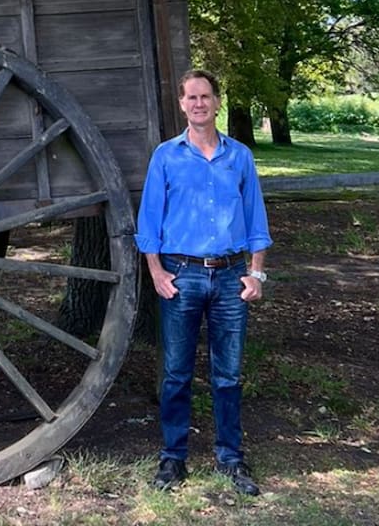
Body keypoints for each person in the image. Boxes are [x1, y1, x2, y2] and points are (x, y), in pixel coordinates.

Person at [135, 69, 272, 496]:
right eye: (191, 97)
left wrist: (256, 272)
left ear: (217, 103)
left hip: (232, 276)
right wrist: (156, 272)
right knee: (176, 373)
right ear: (181, 104)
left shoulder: (240, 157)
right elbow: (148, 222)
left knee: (227, 374)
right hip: (182, 275)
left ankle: (230, 458)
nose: (199, 103)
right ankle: (173, 459)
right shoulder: (166, 156)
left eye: (206, 96)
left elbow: (256, 220)